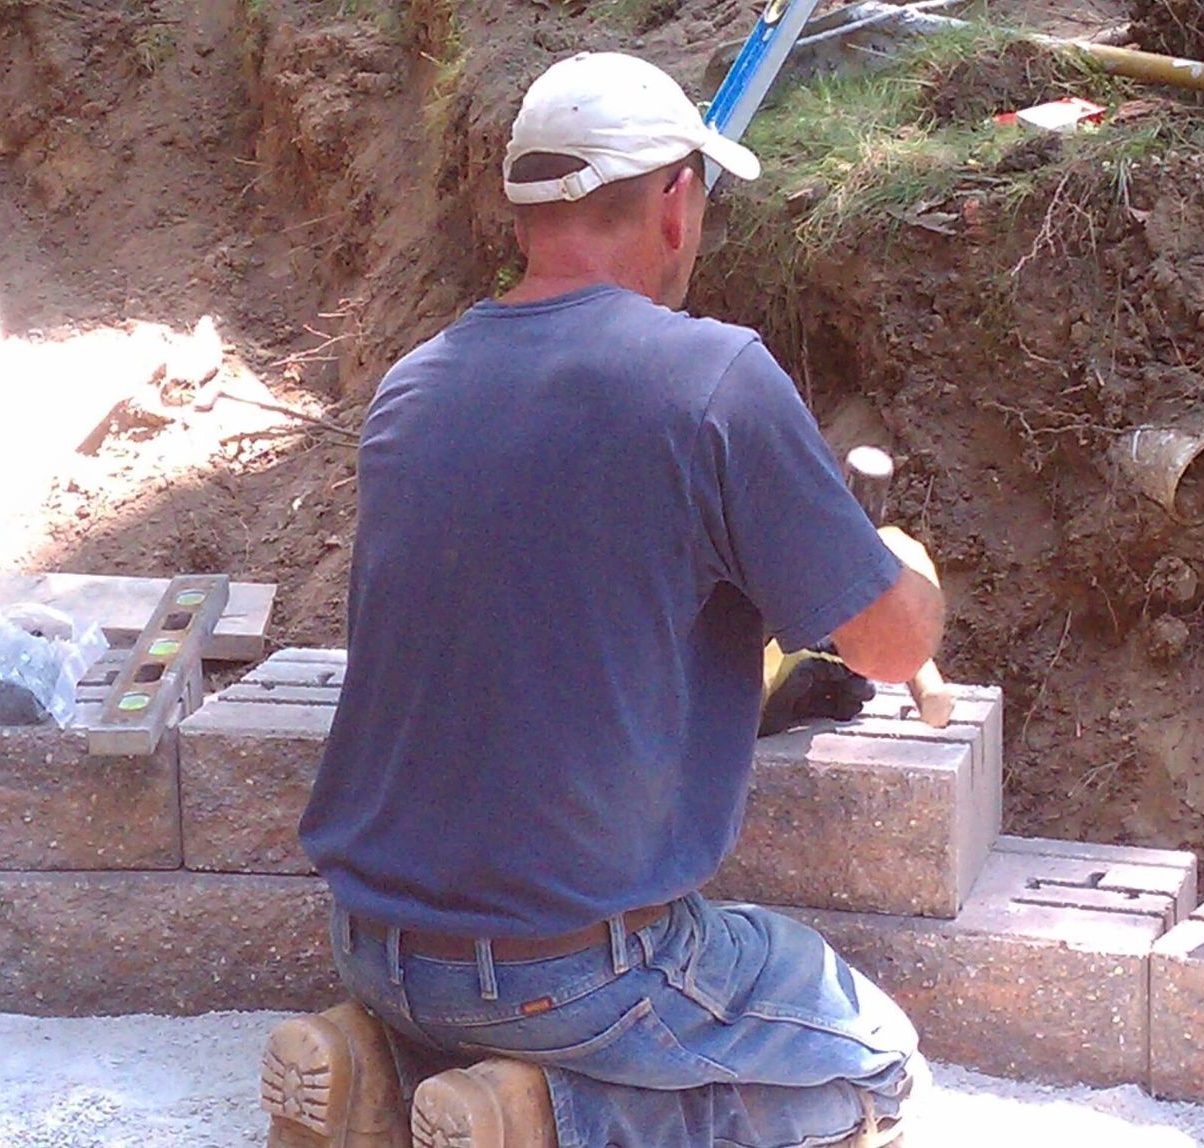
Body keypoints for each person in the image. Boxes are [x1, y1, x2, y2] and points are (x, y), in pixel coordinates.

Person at [260, 50, 946, 1148]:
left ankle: (371, 1059)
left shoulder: (413, 387)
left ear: (527, 207)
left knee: (508, 990)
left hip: (372, 941)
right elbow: (886, 642)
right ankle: (549, 1114)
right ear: (677, 200)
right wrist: (903, 565)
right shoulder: (712, 379)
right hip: (571, 968)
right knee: (874, 1067)